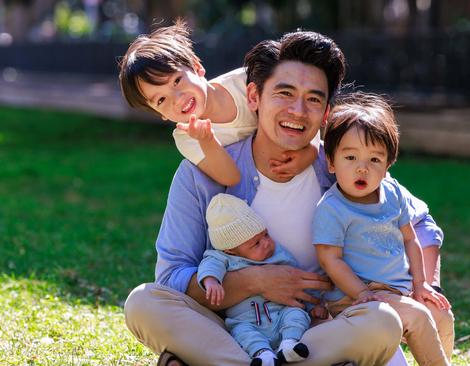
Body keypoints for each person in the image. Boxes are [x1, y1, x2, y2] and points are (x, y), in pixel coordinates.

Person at [124, 30, 450, 366]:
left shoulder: (341, 165)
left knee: (381, 322)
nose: (297, 110)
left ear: (326, 113)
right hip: (237, 326)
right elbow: (173, 274)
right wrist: (255, 282)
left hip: (319, 324)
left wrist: (426, 287)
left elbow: (420, 223)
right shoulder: (199, 171)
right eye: (284, 93)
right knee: (143, 303)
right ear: (253, 97)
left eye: (313, 99)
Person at [314, 93, 455, 366]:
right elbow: (330, 259)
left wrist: (421, 283)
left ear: (388, 164)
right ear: (331, 162)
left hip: (396, 291)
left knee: (440, 313)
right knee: (419, 316)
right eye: (351, 157)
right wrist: (362, 294)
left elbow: (410, 238)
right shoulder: (331, 208)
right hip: (353, 298)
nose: (362, 169)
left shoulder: (392, 193)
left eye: (374, 160)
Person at [118, 19, 317, 186]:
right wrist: (207, 141)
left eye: (177, 81)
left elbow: (300, 111)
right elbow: (231, 178)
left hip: (298, 170)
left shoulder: (246, 81)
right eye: (161, 100)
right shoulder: (187, 137)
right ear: (160, 114)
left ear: (197, 68)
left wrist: (310, 152)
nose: (178, 99)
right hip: (254, 191)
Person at [199, 193, 326, 366]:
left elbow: (296, 281)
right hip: (246, 320)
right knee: (241, 331)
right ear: (230, 250)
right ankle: (263, 355)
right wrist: (211, 280)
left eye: (265, 234)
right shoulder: (223, 258)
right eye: (256, 243)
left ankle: (289, 345)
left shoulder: (278, 254)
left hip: (281, 313)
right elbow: (210, 265)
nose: (266, 243)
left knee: (296, 314)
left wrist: (313, 307)